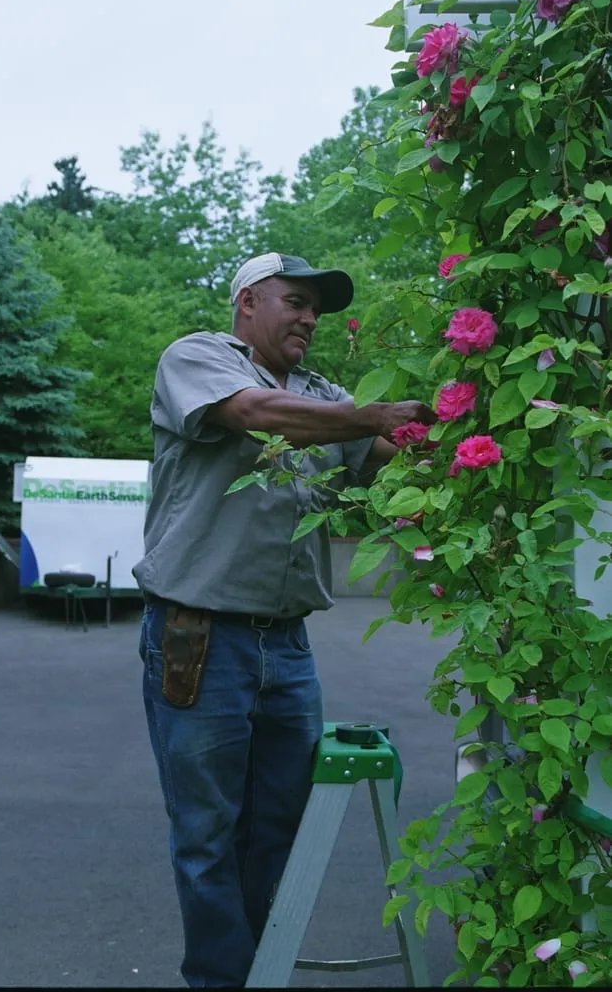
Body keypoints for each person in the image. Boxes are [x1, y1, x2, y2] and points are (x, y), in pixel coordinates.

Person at [133, 252, 436, 988]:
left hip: (287, 645)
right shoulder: (199, 358)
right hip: (198, 641)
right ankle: (220, 980)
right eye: (294, 302)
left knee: (278, 827)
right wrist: (367, 415)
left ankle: (258, 972)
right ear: (247, 302)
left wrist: (463, 440)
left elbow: (394, 463)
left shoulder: (325, 394)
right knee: (207, 835)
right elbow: (251, 414)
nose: (308, 318)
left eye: (315, 309)